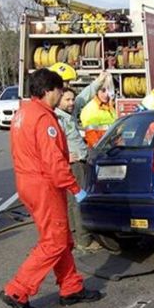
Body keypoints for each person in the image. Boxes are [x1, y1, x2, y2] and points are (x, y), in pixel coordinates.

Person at [0, 68, 102, 308]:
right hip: (44, 185)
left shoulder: (23, 113)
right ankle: (17, 289)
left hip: (28, 182)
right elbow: (55, 162)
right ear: (49, 91)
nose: (61, 94)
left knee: (61, 239)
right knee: (54, 242)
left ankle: (70, 287)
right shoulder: (45, 120)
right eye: (59, 90)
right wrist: (76, 188)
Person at [50, 63, 108, 251]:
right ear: (58, 100)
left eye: (71, 99)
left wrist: (98, 82)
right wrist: (66, 156)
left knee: (71, 201)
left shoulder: (69, 112)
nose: (71, 102)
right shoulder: (56, 118)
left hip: (78, 160)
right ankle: (84, 240)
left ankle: (75, 236)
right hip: (73, 164)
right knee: (77, 201)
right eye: (67, 99)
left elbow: (83, 98)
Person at [80, 78, 117, 147]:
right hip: (100, 151)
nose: (106, 94)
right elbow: (91, 136)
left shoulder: (109, 107)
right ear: (96, 91)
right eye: (103, 91)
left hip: (112, 149)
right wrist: (100, 150)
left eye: (109, 91)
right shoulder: (90, 109)